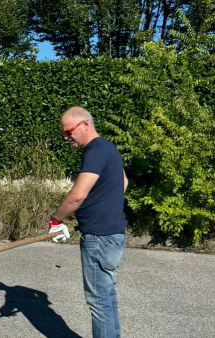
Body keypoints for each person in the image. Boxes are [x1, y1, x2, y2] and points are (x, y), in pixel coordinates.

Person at [48, 107, 128, 338]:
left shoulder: (94, 152)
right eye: (63, 134)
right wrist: (102, 209)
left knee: (99, 302)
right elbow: (123, 182)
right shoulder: (109, 147)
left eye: (68, 132)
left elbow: (77, 195)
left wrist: (56, 220)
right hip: (113, 234)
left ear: (84, 124)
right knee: (107, 298)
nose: (65, 137)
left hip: (99, 239)